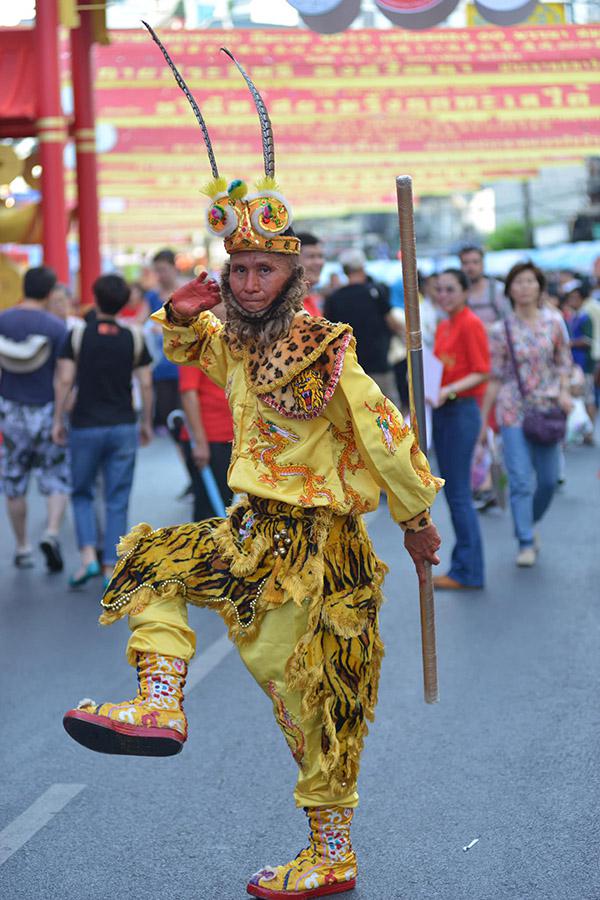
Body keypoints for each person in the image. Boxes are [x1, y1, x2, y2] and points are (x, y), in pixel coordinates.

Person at [63, 33, 443, 900]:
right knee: (149, 557)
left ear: (293, 272)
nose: (246, 280)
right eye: (237, 268)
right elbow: (198, 350)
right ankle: (161, 698)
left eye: (263, 267)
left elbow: (387, 437)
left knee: (317, 704)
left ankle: (331, 852)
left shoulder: (324, 348)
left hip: (323, 553)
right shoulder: (238, 337)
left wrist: (419, 524)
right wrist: (178, 309)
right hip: (253, 536)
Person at [52, 274, 154, 587]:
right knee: (117, 495)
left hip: (85, 425)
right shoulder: (134, 336)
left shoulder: (79, 334)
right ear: (126, 303)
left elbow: (66, 380)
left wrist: (57, 419)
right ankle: (112, 565)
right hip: (123, 424)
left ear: (94, 299)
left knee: (81, 492)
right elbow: (146, 383)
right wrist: (147, 421)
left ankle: (86, 559)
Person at [479, 262, 573, 567]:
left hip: (547, 407)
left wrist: (564, 391)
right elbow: (494, 377)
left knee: (547, 481)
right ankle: (525, 540)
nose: (524, 287)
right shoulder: (500, 329)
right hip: (512, 410)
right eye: (517, 282)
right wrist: (483, 421)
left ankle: (529, 523)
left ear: (540, 287)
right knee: (520, 480)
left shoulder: (554, 322)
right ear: (509, 290)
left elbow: (564, 363)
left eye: (530, 281)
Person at [0, 266, 69, 570]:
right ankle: (52, 532)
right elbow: (63, 377)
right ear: (50, 291)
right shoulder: (56, 327)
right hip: (45, 409)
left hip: (11, 409)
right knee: (55, 477)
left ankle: (23, 546)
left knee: (15, 481)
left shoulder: (3, 320)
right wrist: (58, 418)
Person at [431, 269, 490, 590]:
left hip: (461, 411)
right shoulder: (444, 325)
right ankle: (465, 568)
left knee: (459, 495)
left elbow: (483, 372)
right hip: (444, 411)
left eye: (451, 289)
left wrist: (449, 391)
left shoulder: (470, 324)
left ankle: (468, 571)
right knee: (455, 495)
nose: (444, 295)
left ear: (465, 292)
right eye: (439, 289)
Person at [178, 300, 234, 520]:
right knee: (209, 513)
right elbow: (188, 393)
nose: (230, 306)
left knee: (227, 509)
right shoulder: (197, 342)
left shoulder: (230, 339)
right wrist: (200, 443)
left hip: (230, 437)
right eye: (223, 302)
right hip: (209, 439)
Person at [324, 248, 401, 403]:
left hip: (349, 370)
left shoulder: (334, 298)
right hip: (380, 366)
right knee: (386, 414)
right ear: (362, 267)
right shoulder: (375, 291)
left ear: (344, 271)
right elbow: (393, 323)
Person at [145, 248, 183, 428]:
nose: (160, 275)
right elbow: (141, 322)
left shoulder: (186, 292)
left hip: (185, 361)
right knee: (165, 415)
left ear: (174, 268)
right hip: (160, 364)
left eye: (163, 270)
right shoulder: (151, 296)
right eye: (157, 270)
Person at [563, 279, 596, 440]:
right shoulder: (574, 316)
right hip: (574, 363)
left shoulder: (585, 317)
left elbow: (588, 339)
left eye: (576, 297)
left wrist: (570, 343)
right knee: (578, 397)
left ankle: (589, 433)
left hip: (586, 364)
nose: (572, 301)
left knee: (588, 396)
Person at [459, 245, 511, 328]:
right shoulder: (457, 293)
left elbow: (509, 320)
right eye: (465, 263)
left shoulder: (499, 290)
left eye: (475, 262)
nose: (470, 267)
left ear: (483, 264)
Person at [296, 231, 324, 316]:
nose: (318, 262)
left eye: (320, 256)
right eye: (311, 256)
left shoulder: (310, 299)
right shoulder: (287, 306)